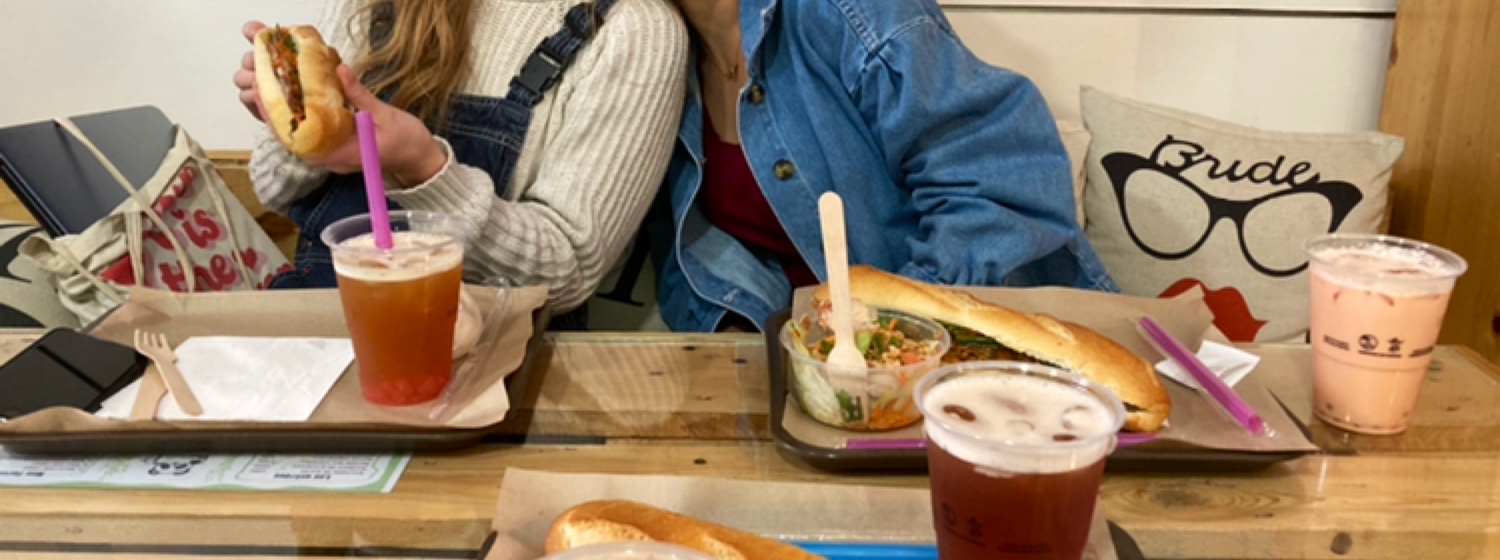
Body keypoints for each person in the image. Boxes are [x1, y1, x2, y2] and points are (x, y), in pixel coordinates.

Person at [651, 0, 1116, 332]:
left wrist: (887, 336)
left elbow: (1000, 186)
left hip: (991, 362)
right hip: (827, 383)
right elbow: (690, 261)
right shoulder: (654, 56)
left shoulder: (844, 11)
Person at [234, 0, 688, 329]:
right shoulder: (384, 6)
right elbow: (272, 186)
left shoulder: (634, 30)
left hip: (487, 368)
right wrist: (304, 132)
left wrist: (423, 168)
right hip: (312, 346)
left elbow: (568, 273)